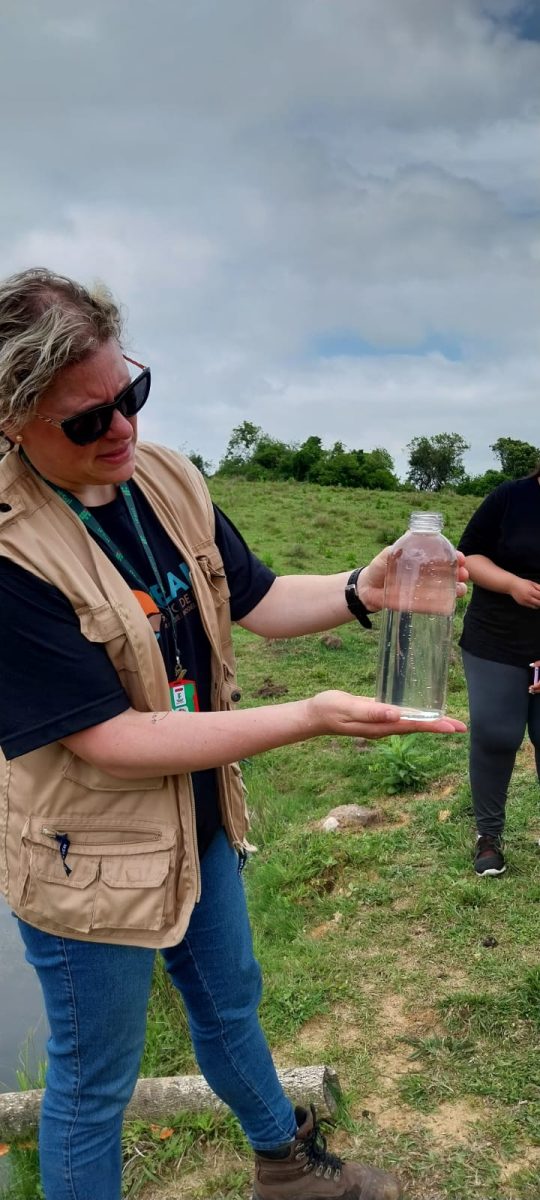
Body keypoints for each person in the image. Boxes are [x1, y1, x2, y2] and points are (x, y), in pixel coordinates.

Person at [0, 268, 467, 1200]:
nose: (122, 429)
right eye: (87, 421)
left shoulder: (166, 477)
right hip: (86, 855)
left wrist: (361, 588)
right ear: (13, 422)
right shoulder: (11, 550)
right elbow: (107, 739)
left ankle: (287, 1171)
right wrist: (306, 718)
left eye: (130, 394)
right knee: (95, 1081)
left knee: (229, 1003)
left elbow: (255, 599)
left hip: (197, 815)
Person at [458, 472, 540, 876]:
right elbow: (469, 556)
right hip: (496, 639)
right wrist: (511, 584)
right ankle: (488, 836)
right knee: (496, 734)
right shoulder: (510, 497)